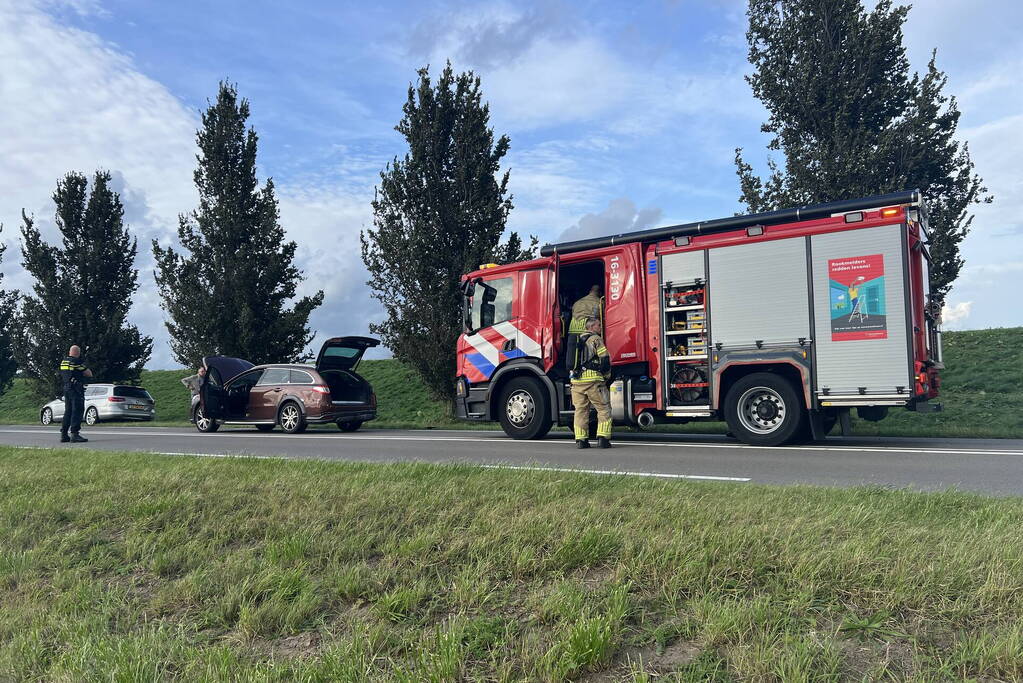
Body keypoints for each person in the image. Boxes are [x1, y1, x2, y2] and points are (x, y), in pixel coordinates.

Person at [571, 317, 612, 449]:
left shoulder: (576, 340)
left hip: (576, 381)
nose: (600, 328)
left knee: (580, 411)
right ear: (591, 327)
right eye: (598, 325)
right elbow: (604, 359)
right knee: (603, 408)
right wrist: (606, 376)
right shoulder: (596, 339)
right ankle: (603, 439)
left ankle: (581, 441)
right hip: (593, 381)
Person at [567, 284, 602, 377]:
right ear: (599, 292)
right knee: (587, 355)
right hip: (586, 329)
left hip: (573, 328)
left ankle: (573, 373)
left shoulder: (577, 302)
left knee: (573, 356)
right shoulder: (599, 302)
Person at [59, 345, 92, 443]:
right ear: (78, 353)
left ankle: (64, 434)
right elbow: (89, 373)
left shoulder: (64, 361)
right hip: (76, 388)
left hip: (66, 388)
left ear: (69, 352)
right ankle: (74, 434)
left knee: (68, 411)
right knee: (77, 410)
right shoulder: (76, 362)